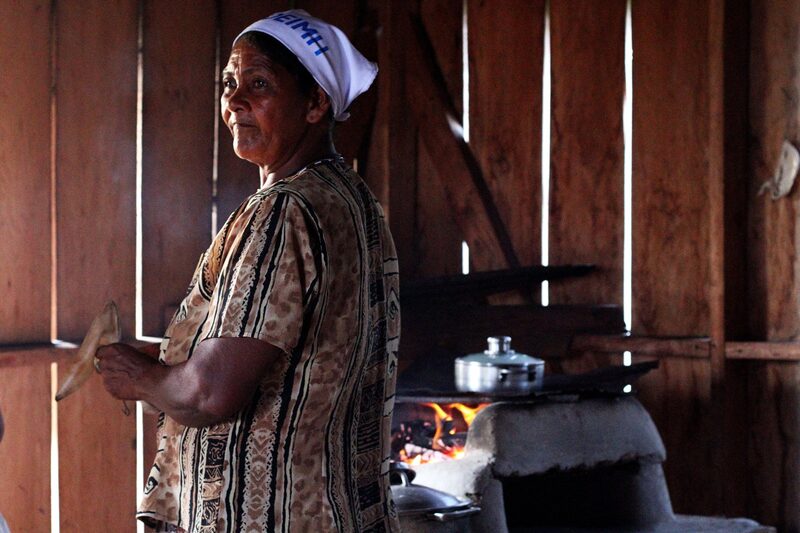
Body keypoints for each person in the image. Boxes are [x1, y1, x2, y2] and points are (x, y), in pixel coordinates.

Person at [96, 10, 400, 532]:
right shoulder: (352, 201)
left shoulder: (283, 212)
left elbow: (209, 394)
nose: (235, 101)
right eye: (229, 83)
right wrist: (169, 362)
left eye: (258, 84)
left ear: (315, 103)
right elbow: (302, 356)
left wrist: (142, 378)